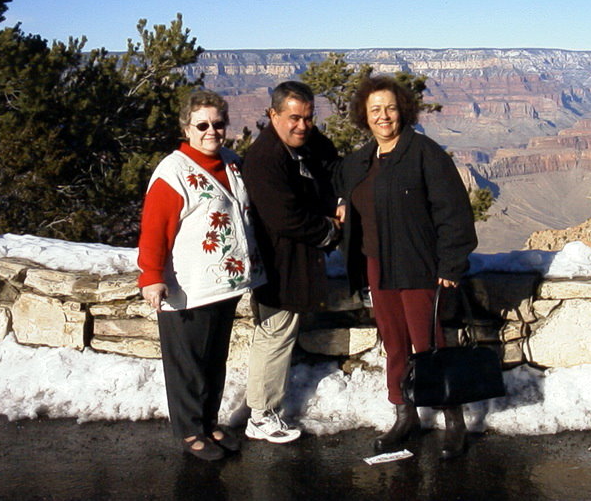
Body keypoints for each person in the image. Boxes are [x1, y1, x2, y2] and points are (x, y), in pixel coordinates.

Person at [338, 75, 478, 460]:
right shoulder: (360, 161)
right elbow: (344, 190)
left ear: (403, 111)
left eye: (391, 108)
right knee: (394, 343)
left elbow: (454, 213)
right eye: (375, 110)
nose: (384, 117)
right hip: (377, 265)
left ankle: (454, 421)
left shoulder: (424, 153)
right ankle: (405, 416)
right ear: (363, 117)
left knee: (429, 344)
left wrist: (451, 262)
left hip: (418, 264)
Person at [137, 89, 265, 461]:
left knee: (213, 359)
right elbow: (154, 228)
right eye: (203, 125)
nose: (212, 131)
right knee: (188, 363)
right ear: (186, 128)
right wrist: (151, 275)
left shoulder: (230, 161)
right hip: (188, 285)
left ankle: (209, 421)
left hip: (224, 283)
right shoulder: (173, 172)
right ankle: (190, 431)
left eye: (218, 124)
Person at [242, 81, 340, 444]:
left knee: (280, 333)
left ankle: (264, 409)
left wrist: (340, 199)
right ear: (273, 115)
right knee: (274, 334)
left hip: (297, 259)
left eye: (309, 118)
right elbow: (285, 218)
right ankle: (261, 416)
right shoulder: (265, 158)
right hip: (277, 264)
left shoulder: (306, 144)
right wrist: (331, 230)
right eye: (294, 118)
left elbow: (333, 167)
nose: (302, 126)